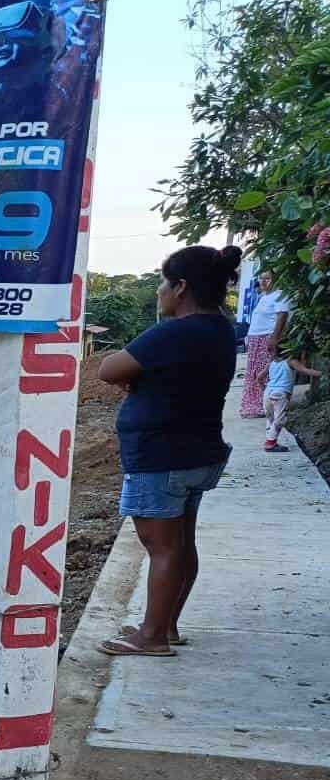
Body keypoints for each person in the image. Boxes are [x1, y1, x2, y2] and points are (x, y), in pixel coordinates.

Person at [97, 245, 241, 658]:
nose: (159, 291)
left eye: (163, 283)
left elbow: (109, 369)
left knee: (162, 548)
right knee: (180, 544)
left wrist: (136, 380)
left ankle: (152, 637)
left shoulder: (173, 332)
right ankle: (165, 625)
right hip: (198, 452)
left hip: (162, 456)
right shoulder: (219, 330)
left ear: (180, 287)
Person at [239, 270, 291, 417]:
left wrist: (274, 337)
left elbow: (282, 316)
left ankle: (266, 405)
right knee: (253, 372)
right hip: (255, 338)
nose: (263, 281)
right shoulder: (264, 297)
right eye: (261, 278)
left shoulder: (280, 295)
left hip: (267, 338)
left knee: (265, 373)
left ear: (276, 279)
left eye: (267, 278)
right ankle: (253, 405)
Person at [262, 342, 323, 453]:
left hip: (267, 393)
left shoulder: (271, 363)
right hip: (280, 393)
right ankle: (270, 444)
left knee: (270, 417)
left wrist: (263, 388)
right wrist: (322, 373)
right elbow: (305, 371)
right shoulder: (291, 361)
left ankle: (270, 440)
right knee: (280, 420)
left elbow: (259, 377)